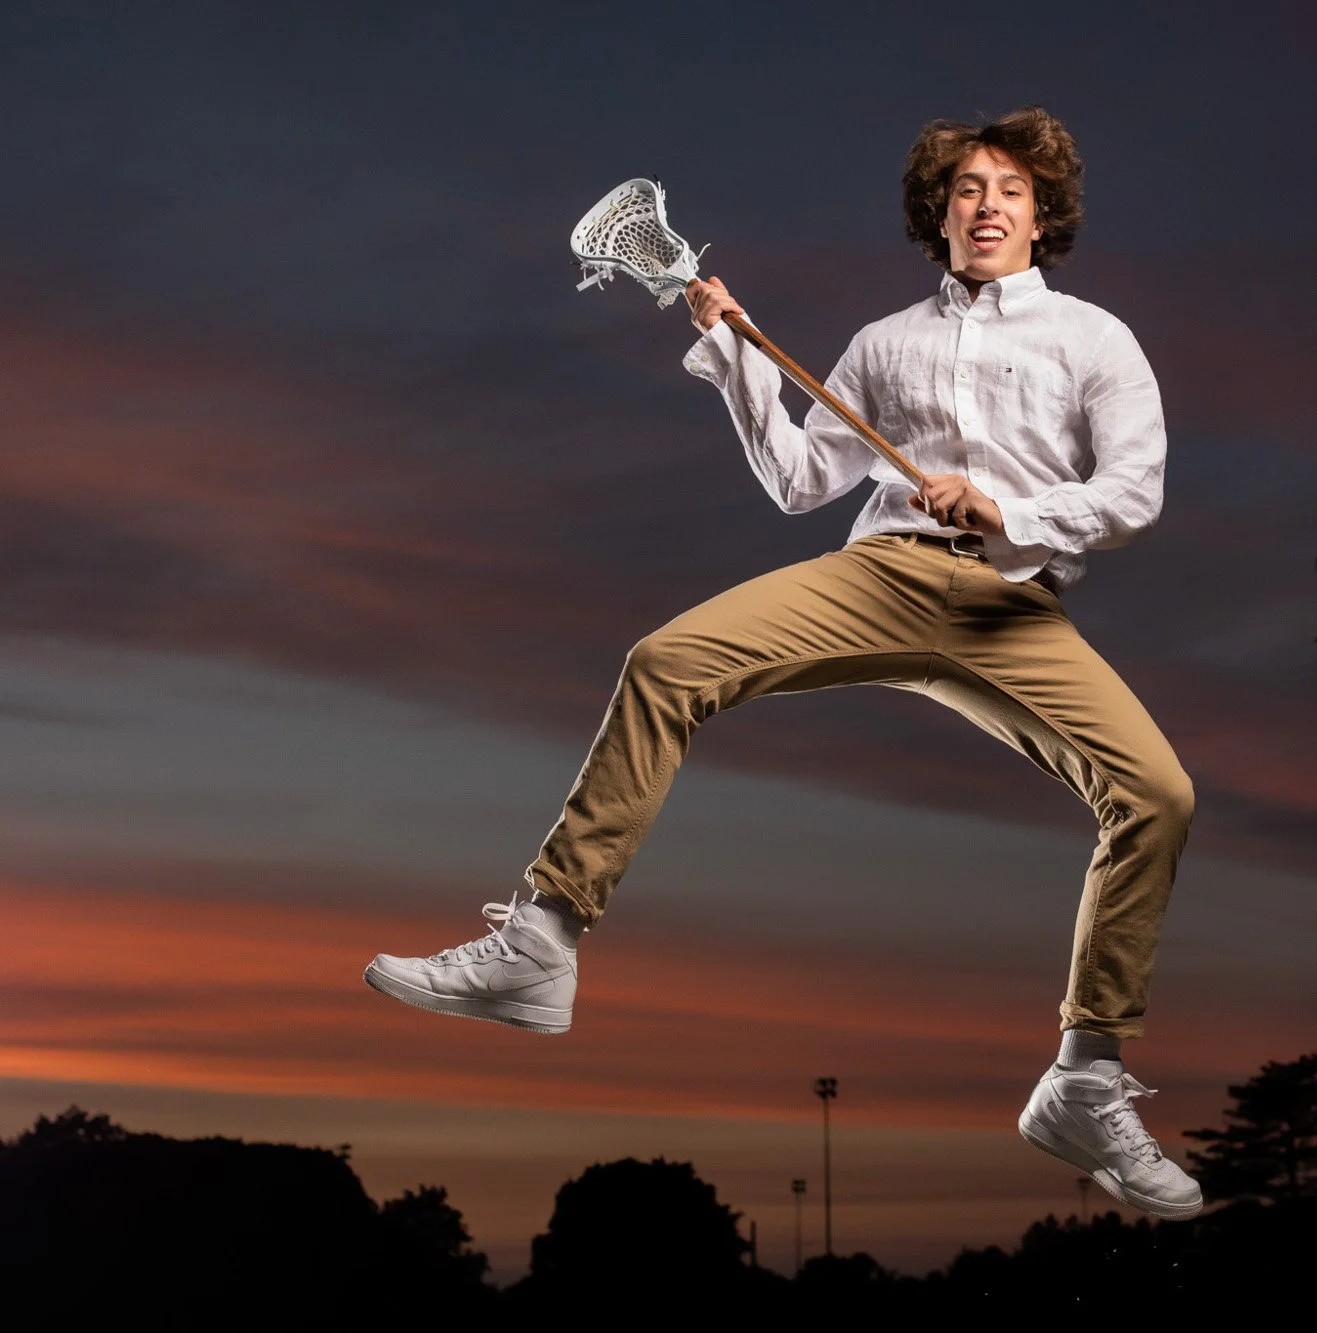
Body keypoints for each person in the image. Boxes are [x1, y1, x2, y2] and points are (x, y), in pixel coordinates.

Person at [364, 106, 1200, 1219]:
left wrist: (1009, 508)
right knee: (668, 660)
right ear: (936, 214)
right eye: (965, 187)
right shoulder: (884, 343)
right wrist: (730, 352)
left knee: (1156, 794)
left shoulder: (1094, 340)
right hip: (882, 577)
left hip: (1013, 602)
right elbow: (803, 479)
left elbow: (1131, 493)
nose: (986, 202)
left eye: (1008, 187)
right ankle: (540, 942)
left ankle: (1083, 1078)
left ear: (1043, 213)